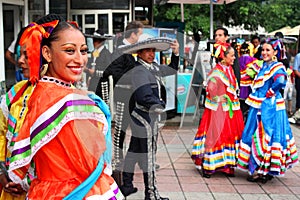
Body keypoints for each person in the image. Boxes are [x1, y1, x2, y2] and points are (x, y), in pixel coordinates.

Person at [6, 16, 123, 199]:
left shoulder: (42, 92)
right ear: (47, 53)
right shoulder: (66, 100)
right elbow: (88, 164)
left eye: (83, 51)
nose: (80, 59)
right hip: (77, 190)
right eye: (70, 50)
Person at [0, 14, 66, 200]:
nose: (20, 61)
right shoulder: (15, 94)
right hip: (11, 191)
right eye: (20, 54)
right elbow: (1, 133)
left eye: (27, 55)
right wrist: (2, 174)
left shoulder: (69, 99)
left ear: (47, 55)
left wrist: (28, 183)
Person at [119, 37, 179, 200]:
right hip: (145, 117)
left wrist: (175, 53)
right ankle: (151, 193)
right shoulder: (140, 70)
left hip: (144, 116)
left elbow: (172, 69)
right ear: (139, 53)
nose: (151, 54)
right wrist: (159, 105)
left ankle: (127, 184)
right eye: (148, 51)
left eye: (153, 51)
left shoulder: (152, 67)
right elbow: (143, 96)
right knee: (149, 156)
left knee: (133, 152)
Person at [237, 38, 298, 184]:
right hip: (260, 104)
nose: (264, 52)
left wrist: (271, 91)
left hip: (269, 107)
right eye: (263, 50)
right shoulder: (263, 66)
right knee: (258, 133)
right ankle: (263, 169)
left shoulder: (277, 66)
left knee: (266, 134)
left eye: (268, 50)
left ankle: (262, 170)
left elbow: (281, 81)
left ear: (275, 52)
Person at [95, 21, 144, 184]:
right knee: (121, 130)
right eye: (139, 34)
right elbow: (113, 72)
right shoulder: (120, 51)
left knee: (132, 128)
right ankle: (117, 160)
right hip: (123, 95)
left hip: (130, 95)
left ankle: (130, 159)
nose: (140, 37)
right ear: (133, 34)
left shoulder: (128, 51)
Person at [191, 42, 244, 178]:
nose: (234, 58)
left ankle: (226, 165)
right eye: (232, 56)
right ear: (223, 57)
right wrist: (217, 98)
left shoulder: (229, 69)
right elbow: (210, 88)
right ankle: (210, 165)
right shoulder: (217, 71)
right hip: (219, 111)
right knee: (216, 136)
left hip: (229, 109)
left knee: (228, 136)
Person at [238, 42, 261, 119]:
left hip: (239, 86)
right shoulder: (254, 60)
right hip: (250, 87)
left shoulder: (237, 60)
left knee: (240, 107)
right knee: (249, 107)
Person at [289, 51, 300, 124]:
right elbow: (295, 70)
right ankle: (297, 116)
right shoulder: (299, 56)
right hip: (299, 79)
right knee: (299, 97)